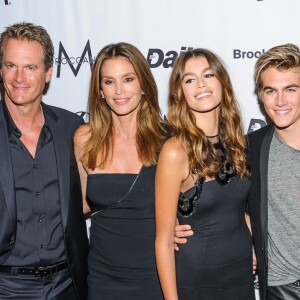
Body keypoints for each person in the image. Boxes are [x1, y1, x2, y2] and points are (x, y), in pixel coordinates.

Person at [155, 48, 255, 299]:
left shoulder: (236, 142)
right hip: (199, 282)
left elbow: (235, 209)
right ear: (181, 93)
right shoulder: (175, 151)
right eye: (190, 79)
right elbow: (164, 241)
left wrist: (254, 244)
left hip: (240, 275)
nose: (201, 84)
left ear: (222, 82)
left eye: (208, 75)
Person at [0, 22, 88, 299]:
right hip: (6, 285)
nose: (19, 77)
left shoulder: (71, 128)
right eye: (11, 65)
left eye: (30, 67)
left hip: (68, 283)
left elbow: (102, 193)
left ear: (48, 73)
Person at [74, 42, 165, 299]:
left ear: (143, 85)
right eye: (109, 82)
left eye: (128, 79)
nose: (119, 90)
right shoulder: (85, 138)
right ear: (100, 90)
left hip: (155, 275)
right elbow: (81, 206)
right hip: (103, 277)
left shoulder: (168, 141)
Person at [247, 43, 300, 300]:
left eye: (291, 89)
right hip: (282, 287)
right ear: (260, 95)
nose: (280, 101)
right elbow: (220, 199)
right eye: (271, 91)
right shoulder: (250, 148)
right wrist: (181, 222)